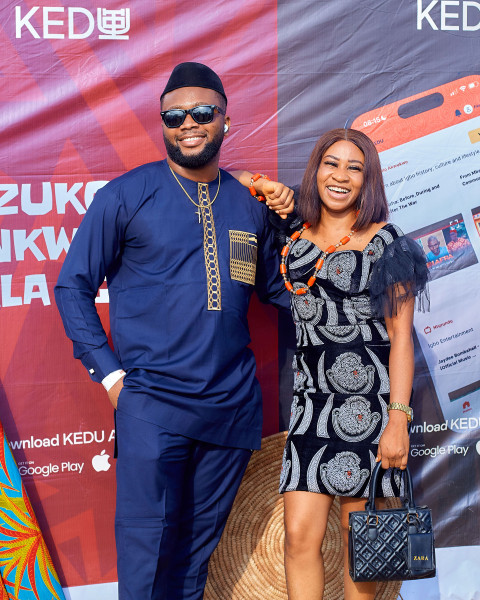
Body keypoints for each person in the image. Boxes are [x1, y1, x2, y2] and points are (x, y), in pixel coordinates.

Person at [54, 62, 294, 600]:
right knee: (145, 558)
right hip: (152, 406)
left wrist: (297, 222)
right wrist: (112, 376)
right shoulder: (125, 196)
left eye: (203, 113)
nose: (189, 123)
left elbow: (279, 291)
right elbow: (73, 287)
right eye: (174, 115)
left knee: (193, 561)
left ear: (225, 120)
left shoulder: (247, 204)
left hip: (230, 410)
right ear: (162, 123)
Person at [272, 128, 428, 600]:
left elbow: (402, 339)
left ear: (368, 181)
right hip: (309, 408)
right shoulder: (294, 238)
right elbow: (235, 183)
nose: (340, 176)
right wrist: (263, 185)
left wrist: (398, 421)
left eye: (354, 168)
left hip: (368, 409)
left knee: (357, 540)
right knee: (299, 538)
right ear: (314, 171)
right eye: (330, 163)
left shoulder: (388, 243)